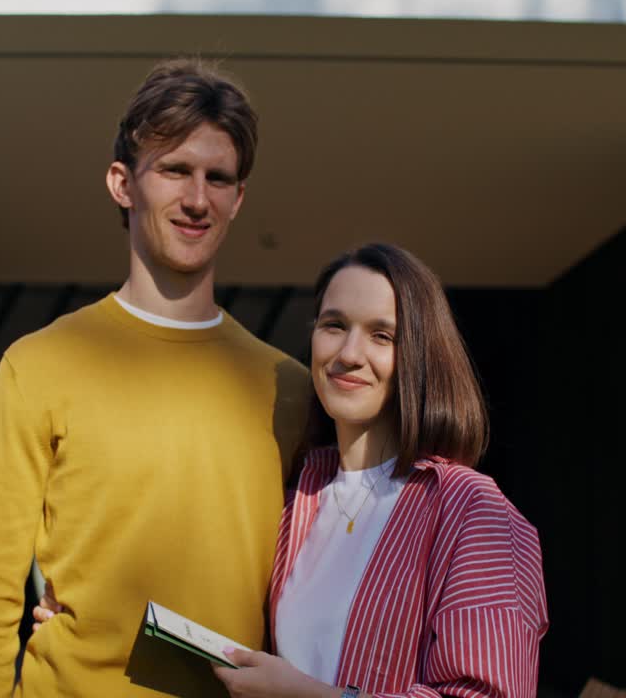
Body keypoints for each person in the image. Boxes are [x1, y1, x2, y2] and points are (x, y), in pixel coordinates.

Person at [0, 59, 310, 697]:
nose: (198, 199)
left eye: (218, 178)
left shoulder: (289, 387)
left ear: (238, 199)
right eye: (174, 171)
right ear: (122, 184)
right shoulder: (37, 366)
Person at [209, 243, 549, 698]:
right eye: (334, 325)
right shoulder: (297, 506)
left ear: (420, 357)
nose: (349, 353)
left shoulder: (474, 512)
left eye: (382, 336)